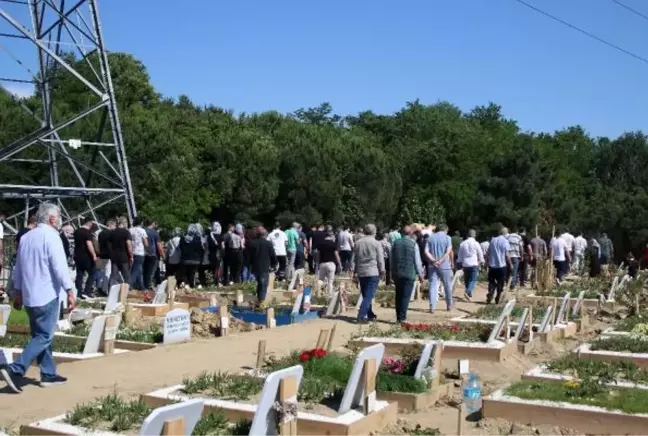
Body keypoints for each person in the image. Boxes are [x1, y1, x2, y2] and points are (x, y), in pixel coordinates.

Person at [1, 202, 74, 392]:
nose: (59, 221)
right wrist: (69, 289)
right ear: (51, 218)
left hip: (29, 295)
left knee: (40, 336)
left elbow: (18, 267)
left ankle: (48, 374)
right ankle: (16, 369)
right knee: (44, 336)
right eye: (58, 217)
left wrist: (17, 291)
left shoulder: (26, 237)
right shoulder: (52, 237)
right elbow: (59, 266)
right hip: (47, 292)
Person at [391, 226, 424, 323]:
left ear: (401, 233)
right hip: (409, 272)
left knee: (398, 294)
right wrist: (421, 275)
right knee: (406, 296)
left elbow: (392, 259)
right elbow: (417, 262)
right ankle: (402, 317)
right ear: (410, 233)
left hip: (397, 273)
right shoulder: (413, 244)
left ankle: (398, 317)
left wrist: (391, 271)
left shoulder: (395, 243)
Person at [353, 224, 385, 323]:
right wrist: (382, 271)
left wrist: (355, 271)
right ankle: (361, 316)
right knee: (369, 295)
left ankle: (370, 313)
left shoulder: (358, 243)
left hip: (361, 271)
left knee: (365, 294)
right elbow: (380, 259)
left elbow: (355, 259)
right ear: (374, 232)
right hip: (372, 271)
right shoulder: (376, 243)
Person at [425, 224, 454, 312]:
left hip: (432, 265)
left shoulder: (430, 238)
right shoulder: (447, 238)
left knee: (433, 285)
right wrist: (441, 260)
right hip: (444, 265)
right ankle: (449, 304)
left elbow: (426, 251)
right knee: (447, 285)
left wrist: (433, 260)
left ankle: (432, 306)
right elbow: (448, 251)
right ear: (445, 230)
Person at [247, 226, 277, 303]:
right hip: (264, 267)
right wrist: (274, 264)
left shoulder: (252, 243)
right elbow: (272, 255)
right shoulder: (268, 243)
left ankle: (258, 299)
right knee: (263, 285)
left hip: (255, 266)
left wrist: (249, 265)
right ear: (264, 234)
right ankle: (261, 302)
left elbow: (248, 256)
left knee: (259, 284)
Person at [73, 217, 98, 299]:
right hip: (86, 256)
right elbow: (89, 244)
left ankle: (79, 292)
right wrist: (94, 255)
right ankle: (87, 291)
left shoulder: (77, 231)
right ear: (89, 223)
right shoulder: (87, 232)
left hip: (77, 255)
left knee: (79, 274)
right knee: (92, 273)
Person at [486, 227, 512, 304]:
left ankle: (491, 292)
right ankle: (498, 297)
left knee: (491, 281)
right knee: (500, 282)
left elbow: (488, 252)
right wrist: (510, 264)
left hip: (492, 265)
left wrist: (486, 261)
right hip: (501, 265)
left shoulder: (493, 240)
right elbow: (507, 254)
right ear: (505, 234)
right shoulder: (505, 241)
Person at [457, 229, 484, 301]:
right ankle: (468, 291)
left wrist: (459, 262)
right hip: (473, 263)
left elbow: (460, 254)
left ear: (467, 235)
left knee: (467, 279)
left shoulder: (462, 243)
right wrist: (482, 261)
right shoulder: (476, 243)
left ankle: (469, 293)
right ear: (474, 235)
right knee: (473, 279)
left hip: (465, 264)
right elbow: (480, 253)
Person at [108, 216, 132, 286]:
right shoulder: (126, 232)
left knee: (113, 275)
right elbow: (129, 244)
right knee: (126, 275)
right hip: (123, 256)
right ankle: (128, 290)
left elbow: (109, 244)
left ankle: (110, 290)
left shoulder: (112, 232)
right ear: (124, 222)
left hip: (114, 256)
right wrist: (131, 256)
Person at [179, 223, 204, 288]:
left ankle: (185, 284)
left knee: (185, 274)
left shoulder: (183, 238)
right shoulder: (198, 238)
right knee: (192, 274)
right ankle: (192, 286)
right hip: (195, 260)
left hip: (185, 260)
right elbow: (200, 249)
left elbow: (180, 248)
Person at [318, 226, 340, 297]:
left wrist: (318, 262)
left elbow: (318, 254)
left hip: (322, 263)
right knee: (330, 281)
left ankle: (319, 293)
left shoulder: (321, 244)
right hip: (331, 264)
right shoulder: (333, 244)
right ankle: (330, 295)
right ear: (332, 236)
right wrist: (339, 264)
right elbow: (336, 254)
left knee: (321, 280)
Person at [97, 219, 115, 296]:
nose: (114, 227)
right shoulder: (111, 234)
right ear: (110, 225)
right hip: (108, 255)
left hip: (101, 254)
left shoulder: (100, 233)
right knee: (108, 272)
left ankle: (99, 287)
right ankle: (105, 289)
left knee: (101, 272)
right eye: (114, 225)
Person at [129, 217, 148, 290]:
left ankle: (141, 286)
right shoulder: (142, 230)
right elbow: (146, 243)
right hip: (140, 252)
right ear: (141, 222)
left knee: (138, 269)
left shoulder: (130, 230)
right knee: (136, 270)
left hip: (132, 251)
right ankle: (129, 285)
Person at [143, 219, 162, 290]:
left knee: (144, 271)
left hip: (144, 253)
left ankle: (144, 285)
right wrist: (163, 255)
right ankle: (149, 286)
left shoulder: (143, 230)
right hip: (152, 254)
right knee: (151, 272)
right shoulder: (155, 233)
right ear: (152, 223)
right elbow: (159, 245)